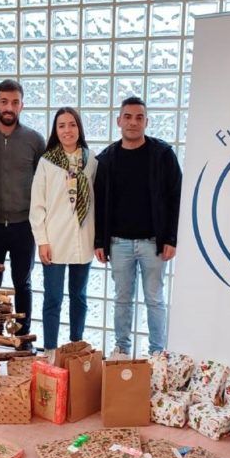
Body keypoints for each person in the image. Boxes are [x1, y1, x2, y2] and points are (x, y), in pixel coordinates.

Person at [94, 97, 182, 358]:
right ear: (119, 120)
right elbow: (100, 204)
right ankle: (121, 350)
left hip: (153, 243)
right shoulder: (106, 159)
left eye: (139, 117)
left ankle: (158, 354)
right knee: (122, 299)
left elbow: (176, 196)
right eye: (128, 117)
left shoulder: (162, 155)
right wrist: (100, 241)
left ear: (146, 121)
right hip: (118, 243)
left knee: (154, 299)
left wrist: (172, 238)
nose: (133, 122)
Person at [0, 80, 45, 349]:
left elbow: (44, 184)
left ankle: (23, 338)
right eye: (4, 101)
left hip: (24, 225)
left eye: (15, 102)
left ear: (22, 105)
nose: (9, 107)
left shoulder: (35, 141)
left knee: (23, 282)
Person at [30, 108, 96, 361]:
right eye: (61, 126)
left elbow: (97, 201)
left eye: (72, 124)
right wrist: (42, 241)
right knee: (53, 297)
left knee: (79, 296)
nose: (67, 130)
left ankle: (76, 346)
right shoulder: (47, 162)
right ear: (55, 131)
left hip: (83, 238)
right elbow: (37, 205)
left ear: (79, 128)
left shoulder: (92, 160)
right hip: (54, 240)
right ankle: (49, 350)